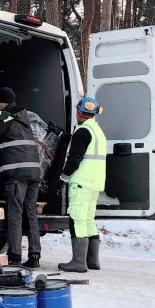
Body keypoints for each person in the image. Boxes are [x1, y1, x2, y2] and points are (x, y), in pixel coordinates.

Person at [0, 86, 43, 267]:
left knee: (15, 215)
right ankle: (35, 256)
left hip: (17, 173)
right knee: (31, 214)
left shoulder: (5, 116)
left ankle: (14, 258)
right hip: (34, 171)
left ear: (4, 102)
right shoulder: (25, 117)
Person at [57, 95, 107, 273]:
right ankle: (92, 260)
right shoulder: (97, 131)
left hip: (81, 182)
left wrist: (63, 176)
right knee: (88, 219)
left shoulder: (82, 131)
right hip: (95, 183)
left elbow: (75, 158)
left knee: (77, 218)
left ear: (79, 112)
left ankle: (78, 262)